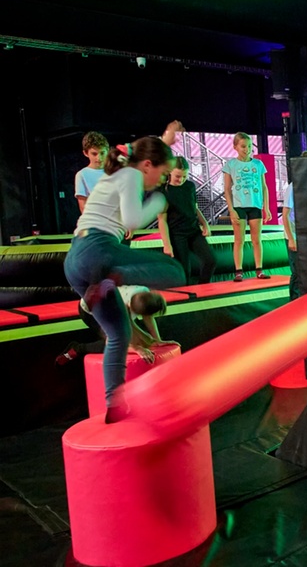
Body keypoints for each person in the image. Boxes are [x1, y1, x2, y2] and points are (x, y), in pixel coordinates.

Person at [63, 136, 186, 423]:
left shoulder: (119, 172)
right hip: (98, 251)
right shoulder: (130, 174)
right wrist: (158, 203)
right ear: (147, 165)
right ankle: (110, 280)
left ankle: (115, 405)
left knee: (118, 335)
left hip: (74, 263)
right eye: (163, 174)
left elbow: (146, 149)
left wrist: (151, 340)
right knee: (175, 270)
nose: (161, 181)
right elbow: (132, 221)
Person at [56, 286, 176, 366]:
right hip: (90, 311)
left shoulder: (143, 293)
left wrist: (157, 340)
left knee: (143, 341)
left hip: (112, 302)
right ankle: (78, 348)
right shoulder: (115, 309)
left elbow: (148, 317)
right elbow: (111, 341)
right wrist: (136, 349)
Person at [157, 157, 216, 284]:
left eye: (184, 176)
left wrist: (205, 223)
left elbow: (195, 207)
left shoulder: (190, 186)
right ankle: (187, 292)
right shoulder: (164, 191)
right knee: (184, 270)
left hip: (193, 231)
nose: (181, 180)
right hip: (177, 235)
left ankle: (203, 288)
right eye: (178, 176)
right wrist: (167, 245)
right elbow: (162, 220)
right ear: (170, 172)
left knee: (210, 261)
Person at [222, 132, 272, 282]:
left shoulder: (258, 164)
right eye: (243, 146)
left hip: (255, 205)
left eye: (249, 146)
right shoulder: (231, 165)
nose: (247, 149)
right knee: (239, 239)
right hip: (239, 206)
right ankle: (238, 271)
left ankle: (259, 269)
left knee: (257, 239)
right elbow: (227, 189)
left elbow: (264, 187)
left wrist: (266, 207)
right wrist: (231, 209)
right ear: (235, 147)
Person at [282, 150, 307, 300]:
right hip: (294, 235)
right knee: (297, 272)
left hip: (306, 235)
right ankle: (294, 302)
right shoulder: (293, 186)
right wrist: (291, 238)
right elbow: (285, 215)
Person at [74, 131, 110, 213]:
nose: (99, 158)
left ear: (108, 151)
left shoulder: (116, 170)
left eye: (102, 153)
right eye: (94, 154)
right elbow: (83, 207)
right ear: (85, 153)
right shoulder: (82, 175)